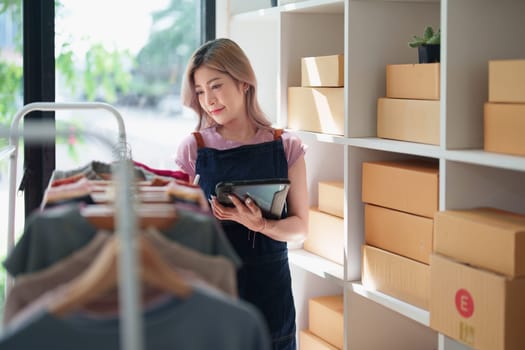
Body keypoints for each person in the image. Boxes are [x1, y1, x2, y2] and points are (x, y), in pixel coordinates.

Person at [175, 38, 309, 350]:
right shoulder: (194, 149)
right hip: (213, 295)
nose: (209, 99)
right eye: (200, 91)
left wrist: (261, 225)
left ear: (244, 82)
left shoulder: (285, 145)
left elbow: (301, 228)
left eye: (216, 86)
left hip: (271, 298)